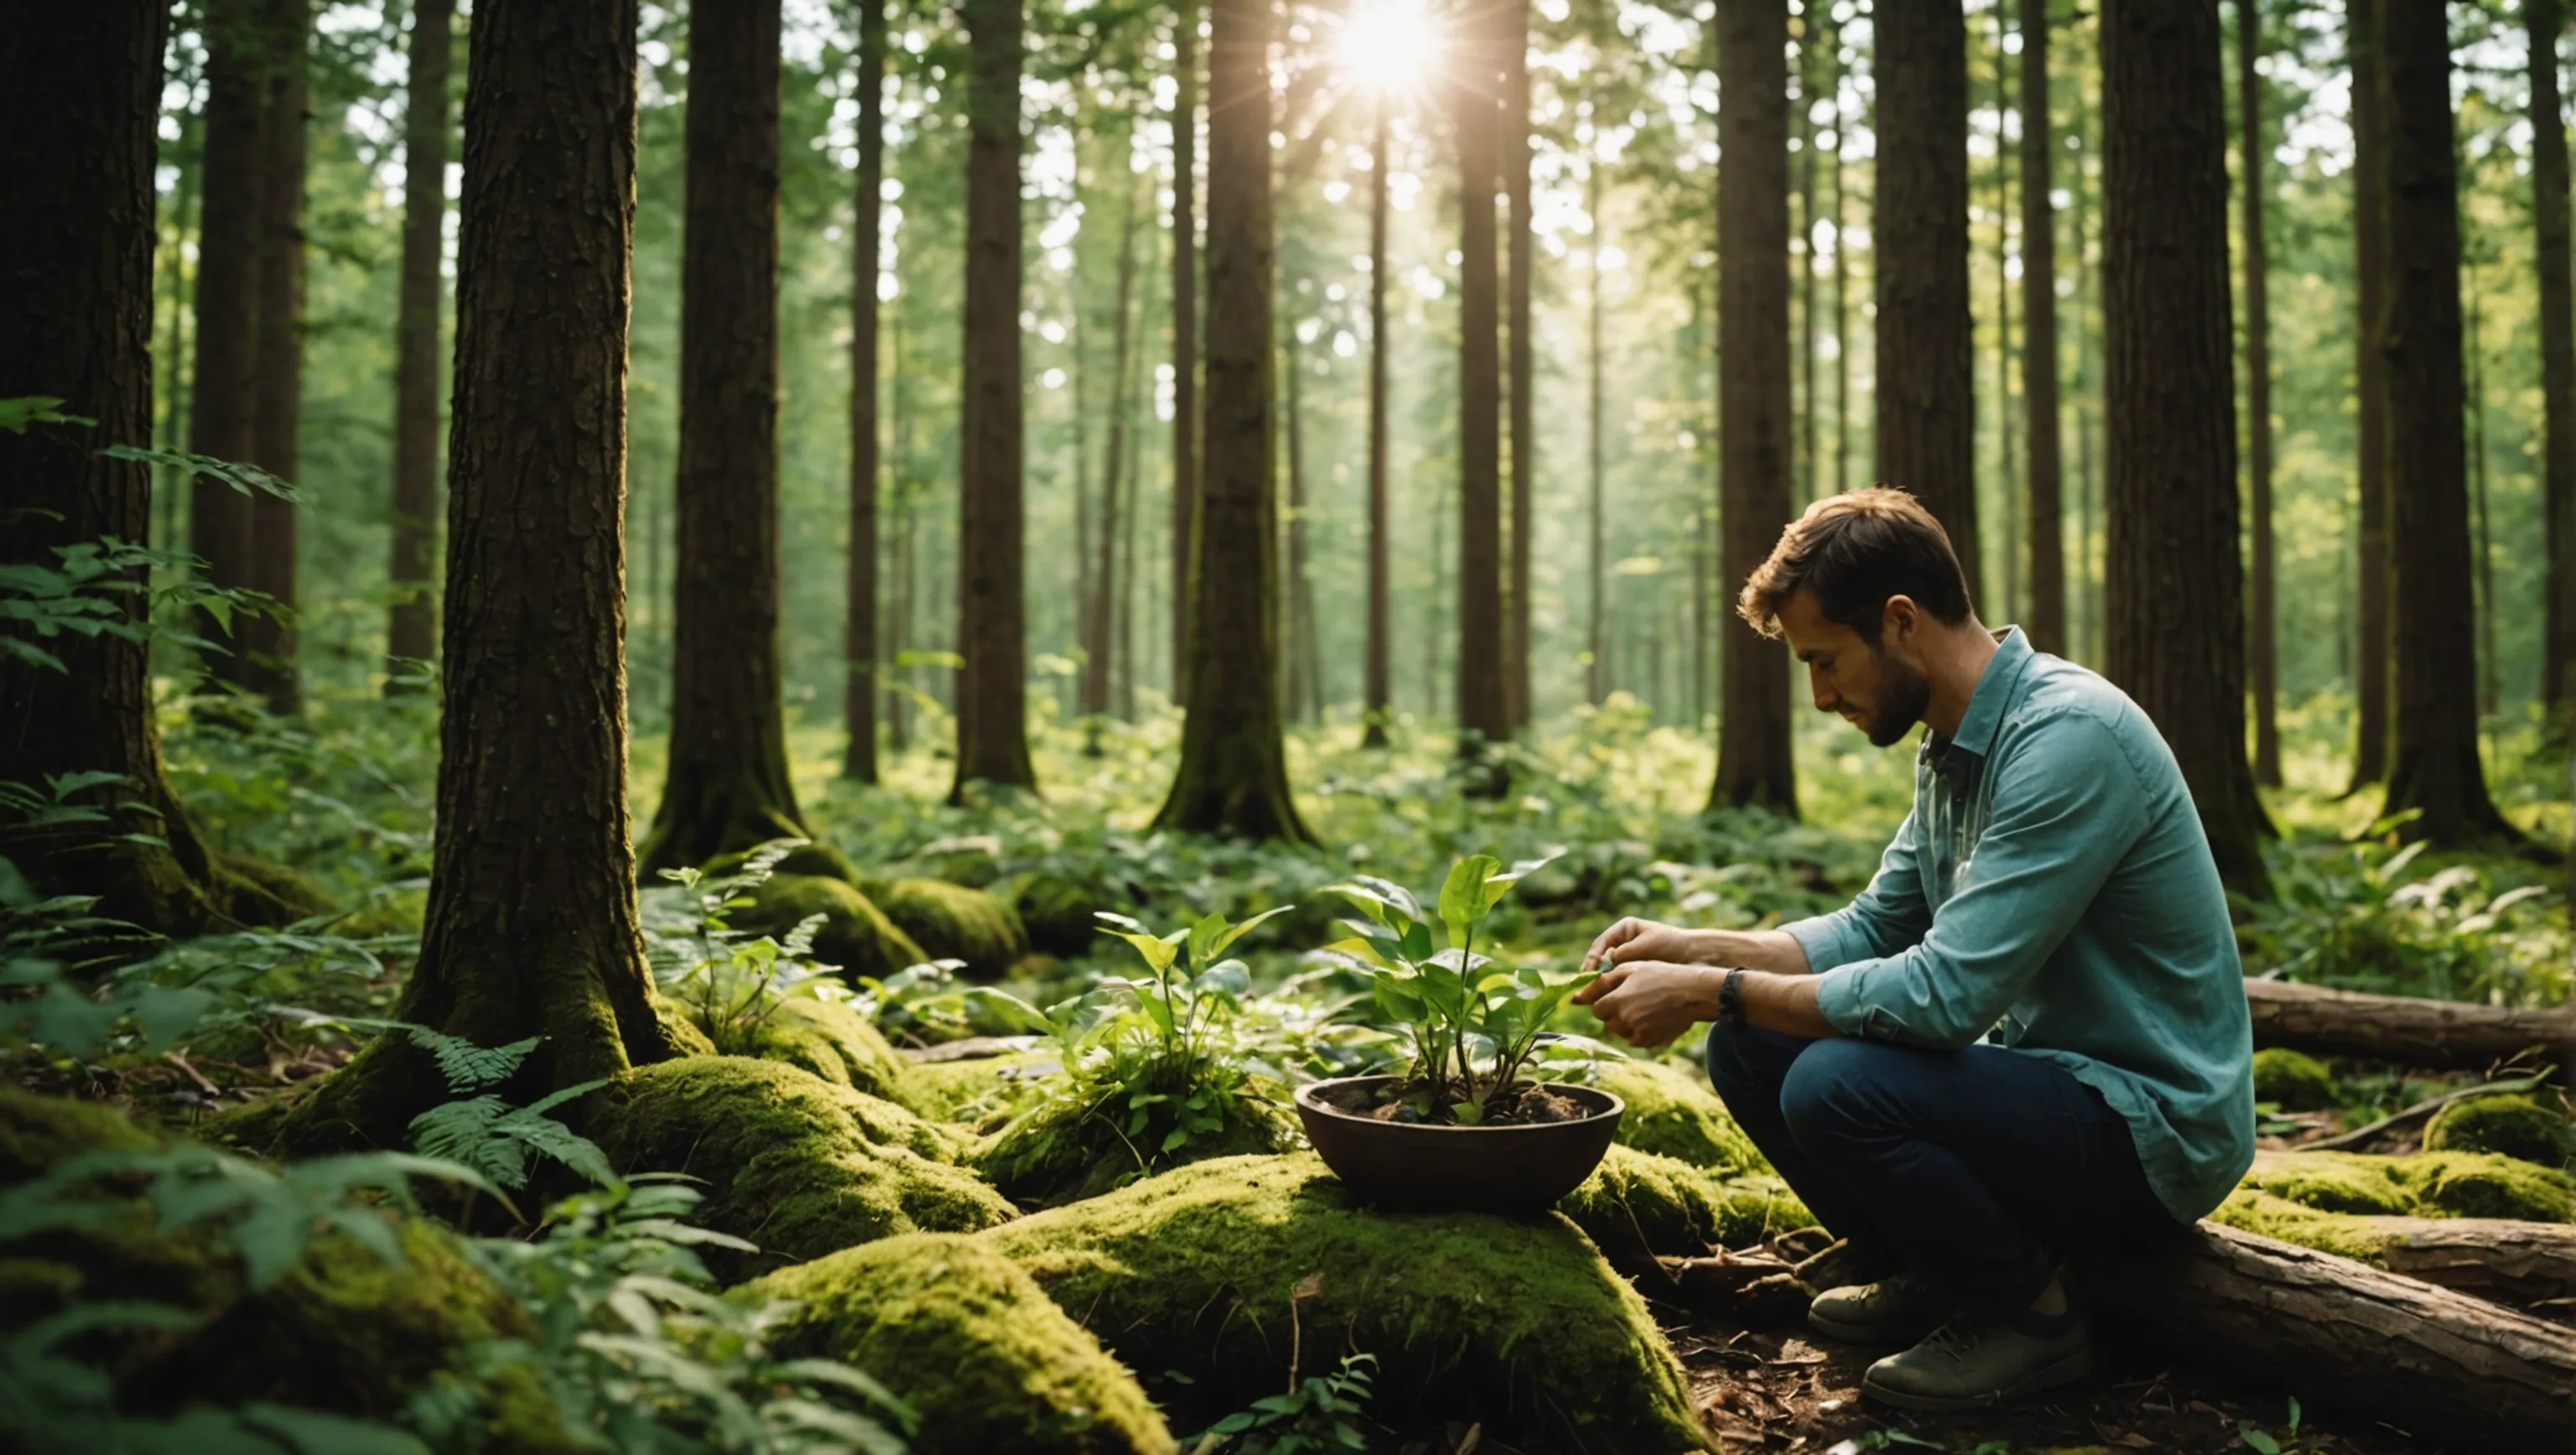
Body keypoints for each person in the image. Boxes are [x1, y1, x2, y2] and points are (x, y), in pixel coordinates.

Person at [1574, 488, 2253, 1411]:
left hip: (2152, 1126)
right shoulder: (1953, 746)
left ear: (1899, 621)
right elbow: (1871, 927)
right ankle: (1941, 1269)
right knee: (1751, 1046)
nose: (1819, 697)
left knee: (1831, 1080)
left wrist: (1708, 986)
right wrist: (1699, 947)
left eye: (1825, 660)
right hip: (2049, 1087)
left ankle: (2034, 1320)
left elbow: (1944, 998)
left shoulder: (2066, 738)